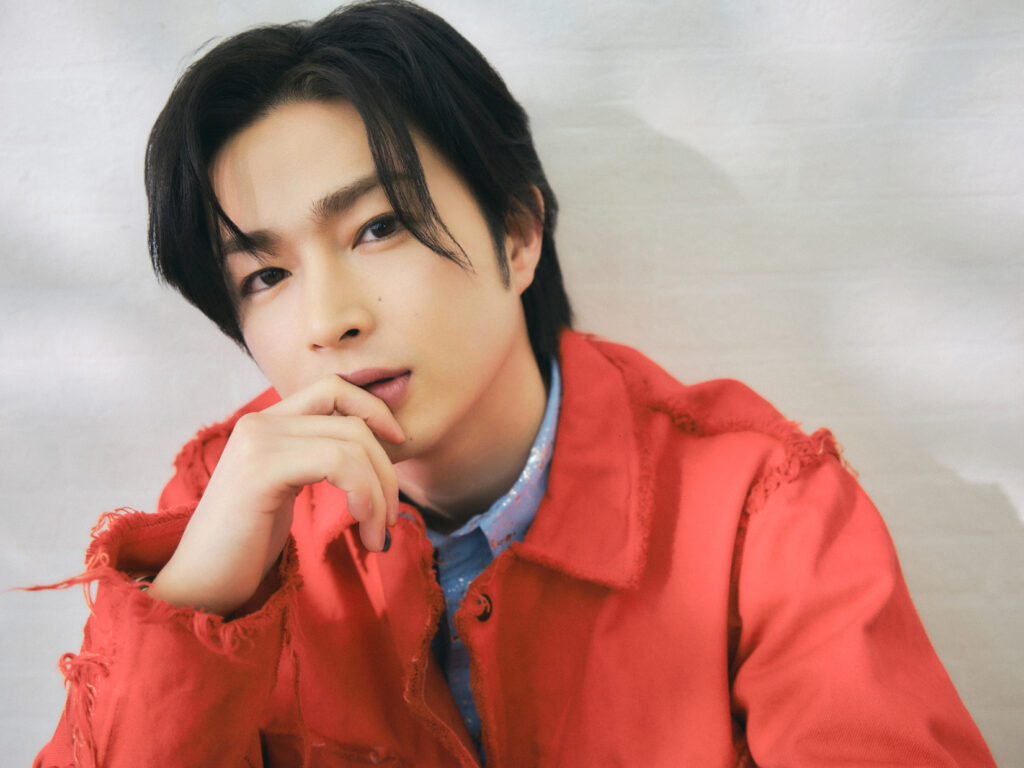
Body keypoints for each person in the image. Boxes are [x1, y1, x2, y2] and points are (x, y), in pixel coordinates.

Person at [35, 2, 995, 766]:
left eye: (378, 228)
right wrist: (201, 604)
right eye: (266, 275)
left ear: (519, 234)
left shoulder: (760, 511)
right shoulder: (221, 507)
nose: (329, 319)